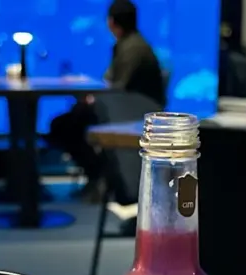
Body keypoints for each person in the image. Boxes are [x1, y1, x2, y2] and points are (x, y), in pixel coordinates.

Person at [48, 0, 166, 199]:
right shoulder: (130, 44)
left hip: (128, 114)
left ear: (111, 22)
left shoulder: (132, 48)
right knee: (69, 121)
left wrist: (92, 99)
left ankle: (100, 177)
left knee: (63, 126)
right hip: (122, 109)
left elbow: (117, 87)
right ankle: (100, 178)